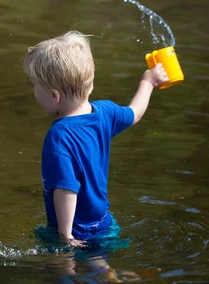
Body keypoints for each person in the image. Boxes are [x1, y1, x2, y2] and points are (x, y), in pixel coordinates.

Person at [23, 31, 169, 247]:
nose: (34, 91)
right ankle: (112, 278)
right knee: (98, 267)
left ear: (54, 96)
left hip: (75, 231)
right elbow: (135, 113)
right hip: (103, 222)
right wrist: (148, 81)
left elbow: (66, 190)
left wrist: (65, 237)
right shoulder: (105, 113)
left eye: (36, 86)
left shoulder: (59, 137)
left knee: (60, 275)